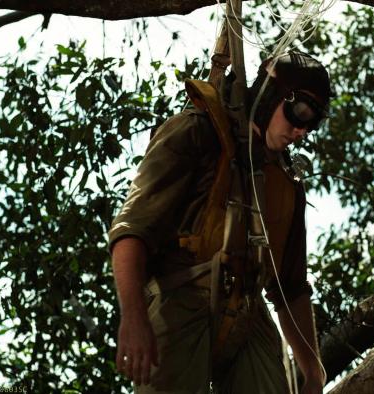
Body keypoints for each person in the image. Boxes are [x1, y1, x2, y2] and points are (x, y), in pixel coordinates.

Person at [108, 51, 332, 393]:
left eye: (311, 123)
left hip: (248, 315)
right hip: (182, 300)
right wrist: (133, 317)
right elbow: (132, 230)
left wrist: (313, 372)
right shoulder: (199, 132)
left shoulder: (286, 185)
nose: (300, 129)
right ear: (272, 95)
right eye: (298, 112)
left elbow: (291, 288)